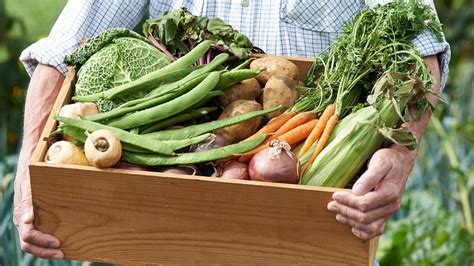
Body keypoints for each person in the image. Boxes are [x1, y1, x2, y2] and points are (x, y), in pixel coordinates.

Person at [15, 0, 450, 260]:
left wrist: (399, 154)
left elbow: (421, 53)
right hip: (161, 234)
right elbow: (61, 54)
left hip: (314, 234)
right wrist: (27, 177)